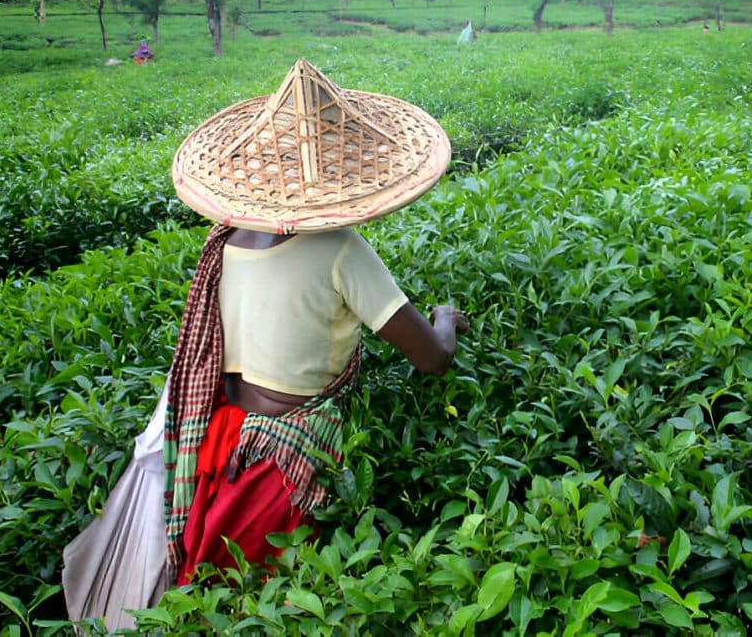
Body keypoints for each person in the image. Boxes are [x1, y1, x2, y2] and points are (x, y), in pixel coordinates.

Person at [63, 58, 467, 629]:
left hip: (217, 442)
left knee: (204, 607)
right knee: (260, 609)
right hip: (276, 464)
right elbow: (432, 359)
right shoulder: (341, 249)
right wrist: (444, 318)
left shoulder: (225, 238)